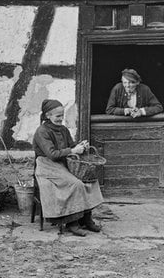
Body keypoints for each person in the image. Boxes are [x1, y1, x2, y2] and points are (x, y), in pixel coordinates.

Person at [33, 99, 103, 236]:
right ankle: (72, 223)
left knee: (89, 181)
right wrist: (73, 151)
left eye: (62, 115)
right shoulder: (41, 131)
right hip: (47, 166)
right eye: (57, 116)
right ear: (48, 115)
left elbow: (70, 145)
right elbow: (52, 154)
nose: (61, 119)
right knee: (75, 184)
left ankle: (86, 219)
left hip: (63, 163)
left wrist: (80, 146)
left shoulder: (63, 129)